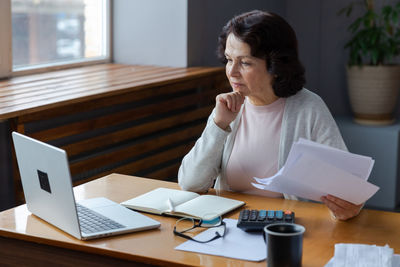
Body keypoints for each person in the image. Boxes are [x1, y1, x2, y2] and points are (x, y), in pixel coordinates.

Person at [178, 10, 362, 221]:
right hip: (228, 230)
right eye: (229, 60)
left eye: (245, 62)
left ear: (276, 65)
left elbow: (349, 187)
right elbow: (190, 183)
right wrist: (218, 125)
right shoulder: (228, 108)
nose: (232, 72)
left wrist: (350, 205)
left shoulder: (309, 108)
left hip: (284, 232)